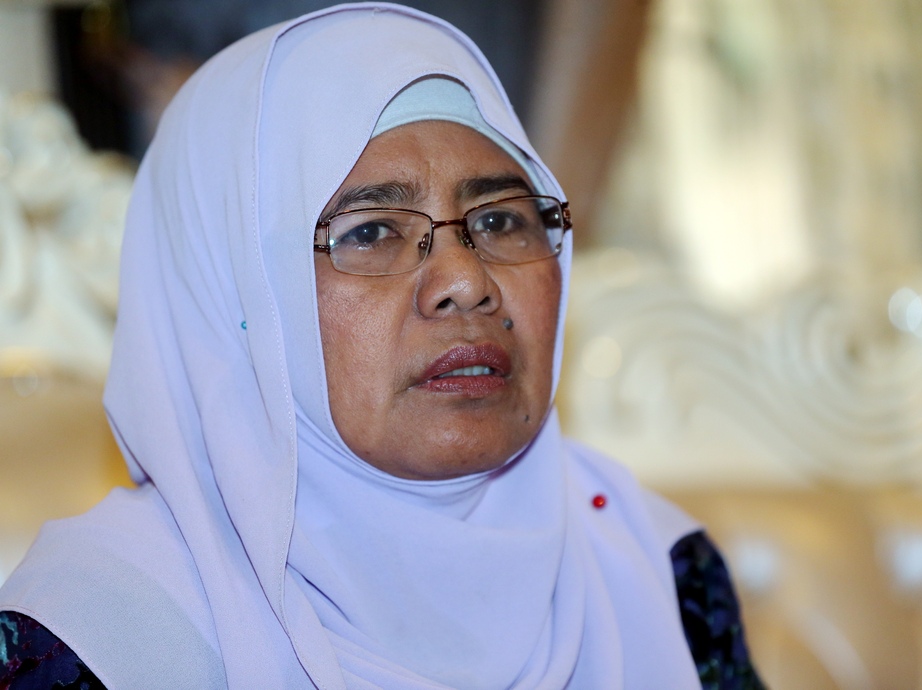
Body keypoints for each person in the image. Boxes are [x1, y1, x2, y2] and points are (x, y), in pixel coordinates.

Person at [0, 4, 763, 688]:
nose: (465, 282)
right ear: (234, 299)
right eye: (369, 232)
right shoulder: (97, 638)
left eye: (502, 220)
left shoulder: (654, 571)